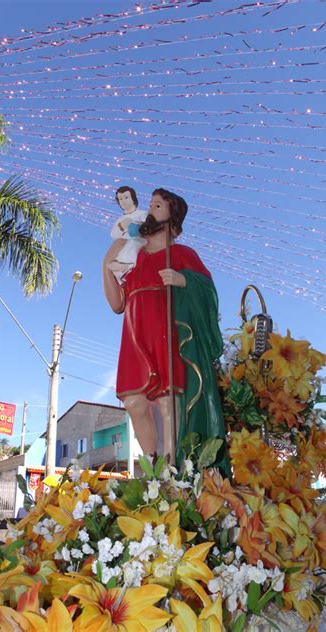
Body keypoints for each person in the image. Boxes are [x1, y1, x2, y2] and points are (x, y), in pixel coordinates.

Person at [103, 188, 229, 472]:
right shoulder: (133, 257)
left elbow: (208, 290)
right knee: (135, 402)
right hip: (135, 337)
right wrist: (105, 267)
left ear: (173, 223)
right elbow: (116, 304)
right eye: (150, 205)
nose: (150, 210)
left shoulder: (182, 253)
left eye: (157, 206)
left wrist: (183, 280)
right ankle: (151, 469)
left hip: (166, 334)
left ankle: (171, 470)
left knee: (166, 401)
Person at [107, 186, 147, 283]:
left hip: (139, 240)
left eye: (126, 197)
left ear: (133, 198)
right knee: (115, 254)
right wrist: (121, 225)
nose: (123, 201)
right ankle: (120, 274)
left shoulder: (143, 214)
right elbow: (113, 234)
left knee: (133, 243)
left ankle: (128, 266)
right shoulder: (120, 219)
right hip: (122, 243)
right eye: (120, 199)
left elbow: (149, 226)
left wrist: (136, 224)